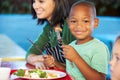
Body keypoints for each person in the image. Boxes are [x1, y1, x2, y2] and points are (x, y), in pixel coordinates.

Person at [62, 1, 110, 80]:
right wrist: (54, 63)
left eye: (85, 21)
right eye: (74, 21)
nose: (79, 25)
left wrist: (76, 58)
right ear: (68, 23)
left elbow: (100, 78)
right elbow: (72, 71)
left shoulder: (99, 48)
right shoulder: (71, 45)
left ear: (95, 23)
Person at [26, 0, 77, 70]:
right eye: (34, 1)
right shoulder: (48, 29)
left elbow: (80, 68)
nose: (35, 6)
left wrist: (54, 63)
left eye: (41, 1)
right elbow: (30, 53)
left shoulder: (71, 26)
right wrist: (38, 61)